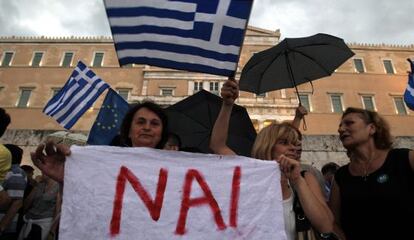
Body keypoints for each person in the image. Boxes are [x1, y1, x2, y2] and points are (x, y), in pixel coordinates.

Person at [209, 78, 335, 240]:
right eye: (284, 143)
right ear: (267, 145)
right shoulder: (248, 172)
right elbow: (218, 145)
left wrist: (297, 180)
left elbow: (326, 226)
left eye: (297, 144)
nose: (294, 148)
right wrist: (227, 106)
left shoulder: (305, 178)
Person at [30, 101, 169, 184]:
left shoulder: (177, 172)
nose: (147, 127)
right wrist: (67, 179)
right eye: (141, 122)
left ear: (162, 134)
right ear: (128, 131)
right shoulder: (101, 165)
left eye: (155, 123)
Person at [330, 107, 414, 240]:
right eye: (340, 125)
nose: (340, 129)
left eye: (349, 123)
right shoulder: (340, 176)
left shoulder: (405, 159)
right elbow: (334, 223)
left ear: (372, 129)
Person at [18, 174, 60, 240]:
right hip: (29, 220)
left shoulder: (58, 187)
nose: (41, 173)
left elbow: (58, 210)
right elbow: (26, 204)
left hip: (44, 224)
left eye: (43, 171)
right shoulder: (40, 184)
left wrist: (52, 231)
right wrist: (35, 186)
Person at [0, 144, 27, 239]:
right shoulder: (7, 171)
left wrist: (2, 227)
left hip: (5, 226)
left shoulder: (15, 173)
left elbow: (17, 203)